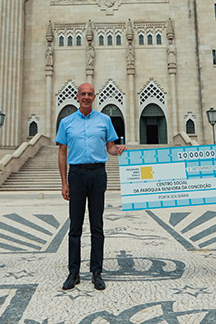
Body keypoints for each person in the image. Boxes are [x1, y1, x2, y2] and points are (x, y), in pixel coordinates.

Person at [57, 82, 126, 291]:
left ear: (94, 97)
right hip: (77, 174)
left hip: (98, 173)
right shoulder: (66, 122)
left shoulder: (104, 120)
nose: (86, 97)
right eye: (83, 94)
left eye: (89, 94)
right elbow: (62, 153)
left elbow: (110, 147)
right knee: (75, 227)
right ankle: (74, 273)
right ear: (77, 97)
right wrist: (64, 182)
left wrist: (118, 150)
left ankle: (97, 272)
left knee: (97, 226)